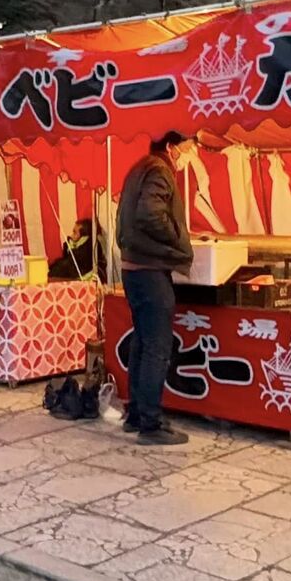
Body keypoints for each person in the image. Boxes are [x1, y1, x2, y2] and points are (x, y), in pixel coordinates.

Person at [117, 131, 196, 445]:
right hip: (150, 270)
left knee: (142, 341)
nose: (191, 154)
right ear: (172, 146)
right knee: (157, 347)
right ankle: (151, 422)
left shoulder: (139, 167)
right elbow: (150, 213)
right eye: (188, 147)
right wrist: (177, 237)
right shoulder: (160, 170)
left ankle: (136, 414)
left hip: (133, 267)